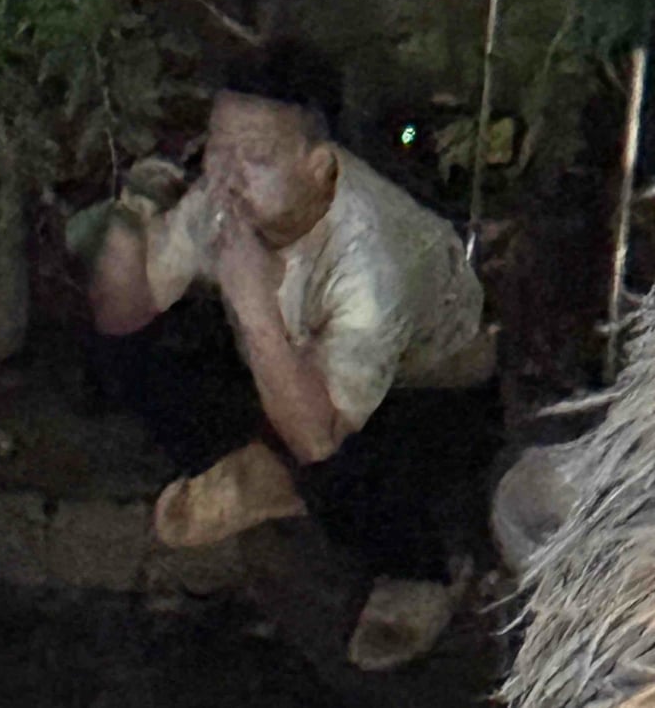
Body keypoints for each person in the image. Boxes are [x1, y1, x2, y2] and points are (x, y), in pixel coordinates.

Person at [86, 67, 498, 668]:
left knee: (339, 460)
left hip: (424, 395)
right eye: (218, 149)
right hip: (290, 365)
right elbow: (130, 304)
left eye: (255, 156)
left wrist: (254, 305)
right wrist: (135, 208)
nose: (228, 175)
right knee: (132, 351)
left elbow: (319, 433)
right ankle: (264, 471)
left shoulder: (372, 256)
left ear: (317, 166)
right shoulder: (225, 194)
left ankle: (420, 572)